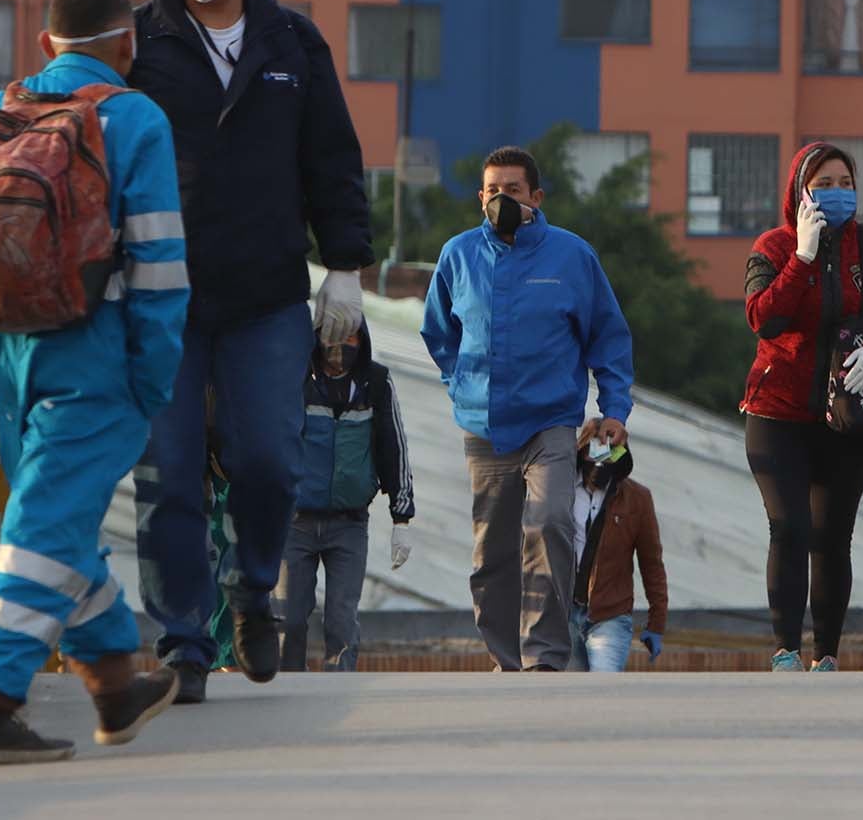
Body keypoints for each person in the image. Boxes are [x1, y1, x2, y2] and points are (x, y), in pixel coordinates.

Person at [129, 0, 373, 702]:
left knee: (269, 463)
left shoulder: (292, 44)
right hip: (162, 297)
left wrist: (346, 266)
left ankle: (251, 591)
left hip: (267, 296)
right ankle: (183, 644)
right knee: (168, 473)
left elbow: (333, 161)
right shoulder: (136, 46)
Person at [0, 0, 189, 764]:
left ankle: (116, 682)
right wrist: (152, 374)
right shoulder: (136, 118)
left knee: (59, 516)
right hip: (97, 355)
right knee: (47, 525)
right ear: (128, 45)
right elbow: (156, 261)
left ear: (47, 44)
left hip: (10, 355)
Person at [421, 145, 634, 672]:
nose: (501, 199)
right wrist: (460, 384)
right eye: (492, 191)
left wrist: (614, 408)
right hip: (485, 427)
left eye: (512, 190)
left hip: (551, 423)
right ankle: (505, 658)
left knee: (551, 522)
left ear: (536, 196)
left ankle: (544, 656)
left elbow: (608, 337)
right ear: (479, 198)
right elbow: (438, 332)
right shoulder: (458, 255)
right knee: (492, 552)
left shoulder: (572, 257)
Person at [742, 142, 863, 673]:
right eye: (824, 183)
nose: (838, 192)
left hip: (849, 415)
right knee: (790, 527)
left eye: (847, 182)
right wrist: (802, 256)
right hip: (778, 414)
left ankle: (827, 656)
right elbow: (763, 319)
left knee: (832, 535)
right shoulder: (773, 246)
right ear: (799, 190)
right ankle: (785, 650)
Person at [276, 319, 415, 672]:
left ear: (363, 338)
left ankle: (337, 690)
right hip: (295, 523)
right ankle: (286, 694)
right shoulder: (294, 380)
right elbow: (273, 444)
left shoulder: (376, 383)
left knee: (341, 621)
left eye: (351, 335)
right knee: (288, 619)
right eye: (333, 335)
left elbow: (393, 447)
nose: (342, 344)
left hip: (349, 525)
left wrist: (402, 517)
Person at [567, 421, 667, 672]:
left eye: (612, 450)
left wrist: (656, 624)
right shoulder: (560, 490)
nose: (602, 459)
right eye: (596, 448)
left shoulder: (637, 499)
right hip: (562, 615)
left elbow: (651, 563)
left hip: (609, 615)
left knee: (604, 689)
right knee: (565, 694)